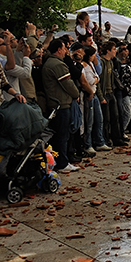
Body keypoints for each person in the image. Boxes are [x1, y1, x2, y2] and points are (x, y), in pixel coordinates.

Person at [42, 39, 80, 173]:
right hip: (60, 104)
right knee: (62, 135)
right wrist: (76, 94)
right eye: (64, 48)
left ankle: (60, 161)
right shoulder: (57, 64)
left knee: (61, 135)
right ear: (58, 50)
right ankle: (62, 163)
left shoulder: (51, 62)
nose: (66, 51)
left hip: (58, 103)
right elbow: (68, 83)